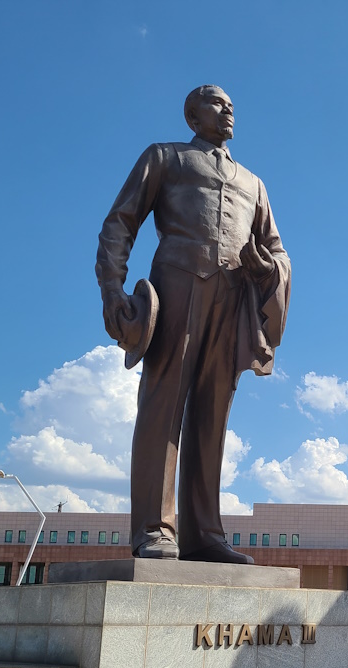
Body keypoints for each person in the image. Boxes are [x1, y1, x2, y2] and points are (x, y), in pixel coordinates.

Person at [96, 85, 290, 563]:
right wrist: (112, 289)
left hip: (232, 297)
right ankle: (154, 529)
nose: (228, 111)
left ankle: (205, 534)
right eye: (217, 103)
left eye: (231, 106)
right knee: (162, 408)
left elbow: (278, 249)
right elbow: (120, 223)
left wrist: (268, 268)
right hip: (177, 287)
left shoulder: (254, 182)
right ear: (192, 114)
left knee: (212, 416)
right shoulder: (165, 157)